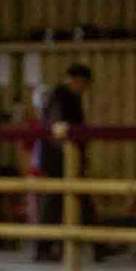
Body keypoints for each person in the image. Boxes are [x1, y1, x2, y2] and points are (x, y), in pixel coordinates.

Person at [34, 63, 94, 261]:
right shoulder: (59, 97)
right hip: (58, 160)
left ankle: (95, 245)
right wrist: (71, 156)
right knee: (55, 204)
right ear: (78, 81)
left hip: (65, 158)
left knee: (74, 203)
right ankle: (45, 248)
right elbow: (57, 130)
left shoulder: (66, 97)